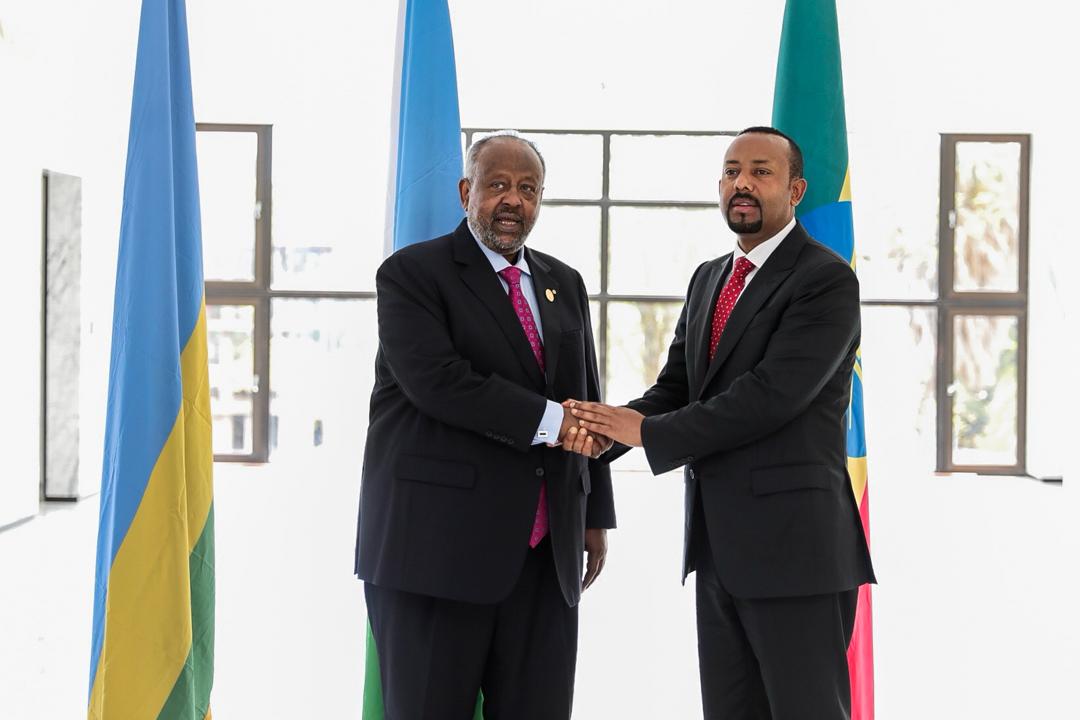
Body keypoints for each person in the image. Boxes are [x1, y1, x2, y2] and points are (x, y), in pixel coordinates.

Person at [565, 127, 875, 719]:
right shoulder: (710, 277)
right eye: (732, 171)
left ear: (796, 190)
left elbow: (769, 398)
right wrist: (600, 433)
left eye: (761, 171)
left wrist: (645, 434)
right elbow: (676, 389)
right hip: (718, 553)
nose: (742, 183)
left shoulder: (826, 280)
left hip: (797, 554)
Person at [354, 130, 615, 720]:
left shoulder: (564, 281)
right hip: (435, 556)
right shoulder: (411, 275)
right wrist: (553, 422)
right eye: (497, 185)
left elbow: (585, 396)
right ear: (465, 191)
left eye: (528, 188)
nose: (513, 200)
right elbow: (439, 383)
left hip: (546, 557)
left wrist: (593, 513)